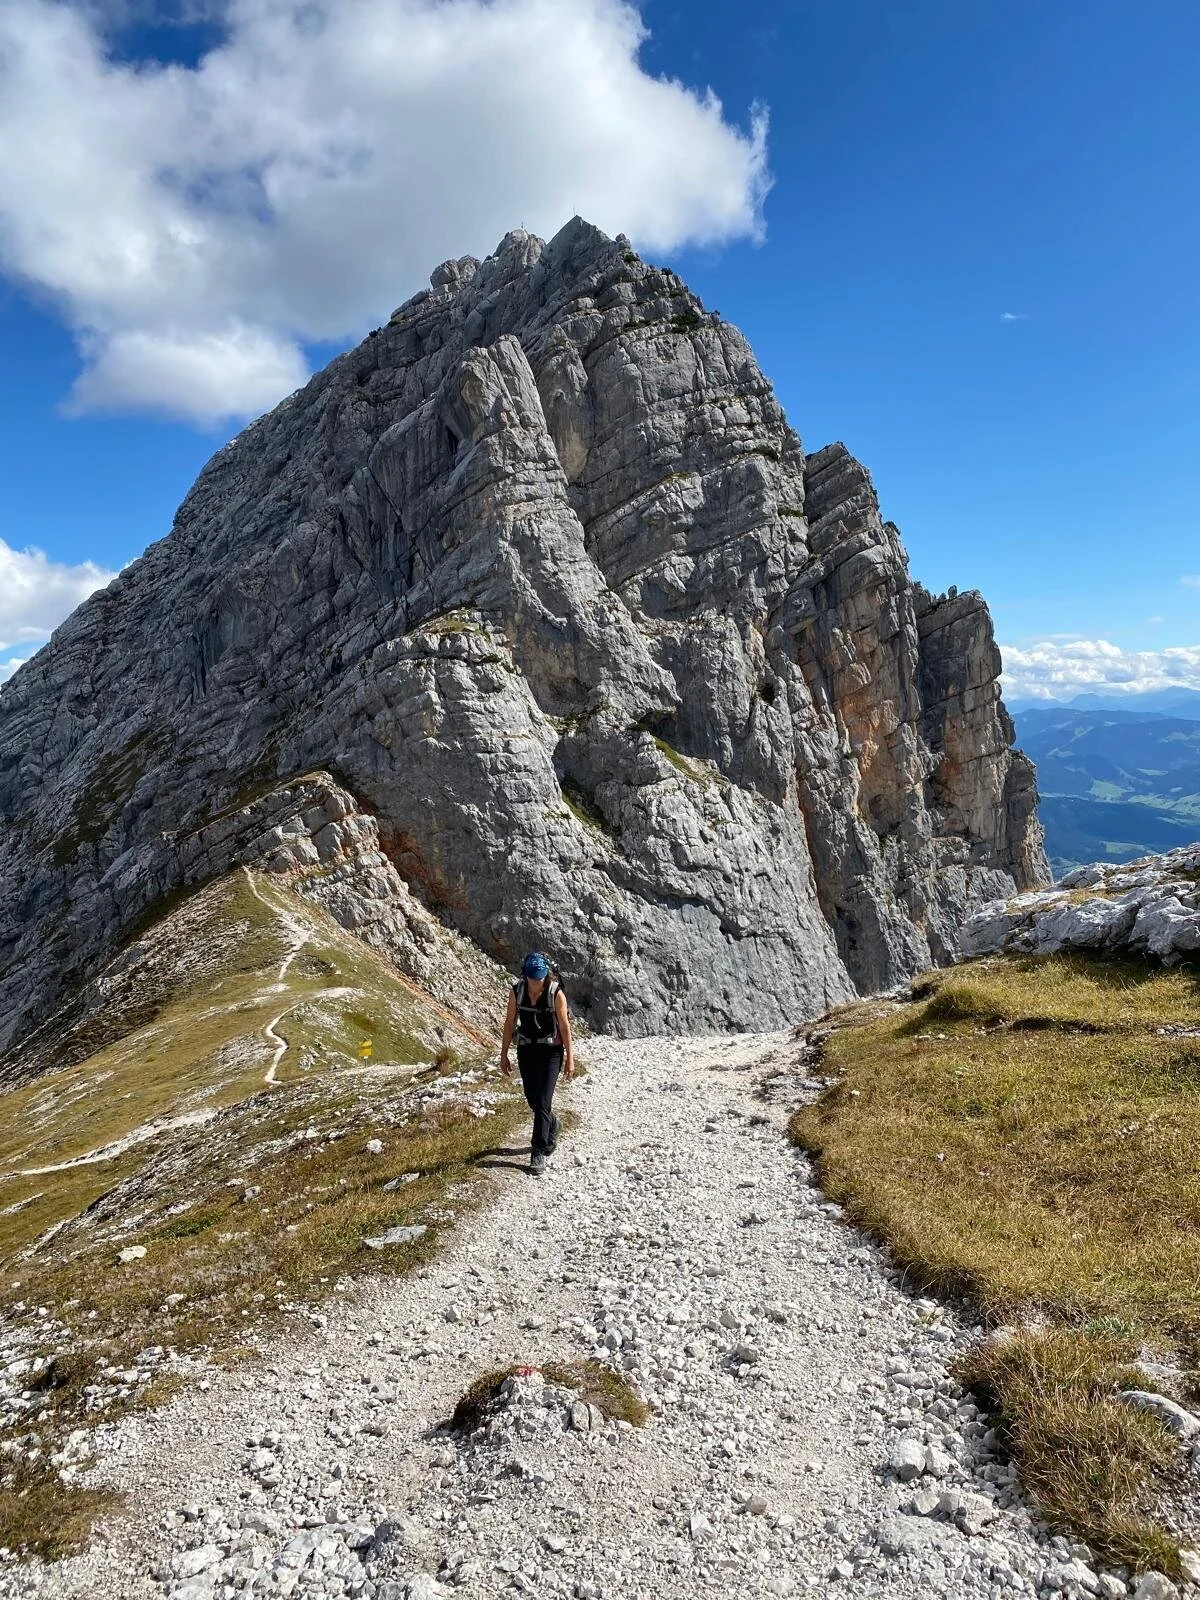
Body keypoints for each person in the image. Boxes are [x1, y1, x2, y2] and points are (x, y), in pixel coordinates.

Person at [500, 951, 574, 1176]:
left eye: (540, 977)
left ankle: (538, 1151)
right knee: (533, 1099)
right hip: (526, 1049)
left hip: (551, 1052)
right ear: (525, 975)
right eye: (533, 977)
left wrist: (570, 1058)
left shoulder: (556, 993)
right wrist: (503, 1055)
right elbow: (509, 1023)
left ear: (546, 975)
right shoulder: (517, 991)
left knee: (543, 1101)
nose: (536, 981)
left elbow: (564, 1027)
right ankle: (552, 1123)